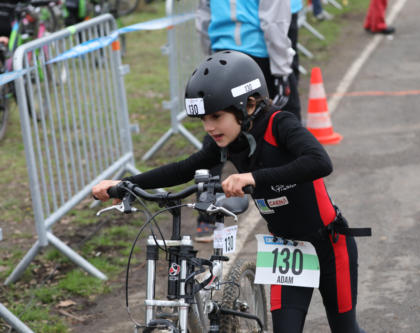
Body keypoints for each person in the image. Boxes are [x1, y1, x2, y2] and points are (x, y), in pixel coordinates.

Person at [92, 50, 368, 333]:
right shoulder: (226, 141)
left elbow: (320, 161)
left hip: (330, 245)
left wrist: (253, 177)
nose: (209, 127)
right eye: (203, 119)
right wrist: (124, 184)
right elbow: (183, 169)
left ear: (248, 104)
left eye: (216, 116)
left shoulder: (280, 124)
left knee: (344, 328)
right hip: (288, 249)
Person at [197, 0, 301, 121]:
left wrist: (211, 54)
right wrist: (282, 70)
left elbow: (203, 18)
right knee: (285, 121)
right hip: (258, 57)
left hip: (222, 54)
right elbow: (274, 23)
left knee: (234, 122)